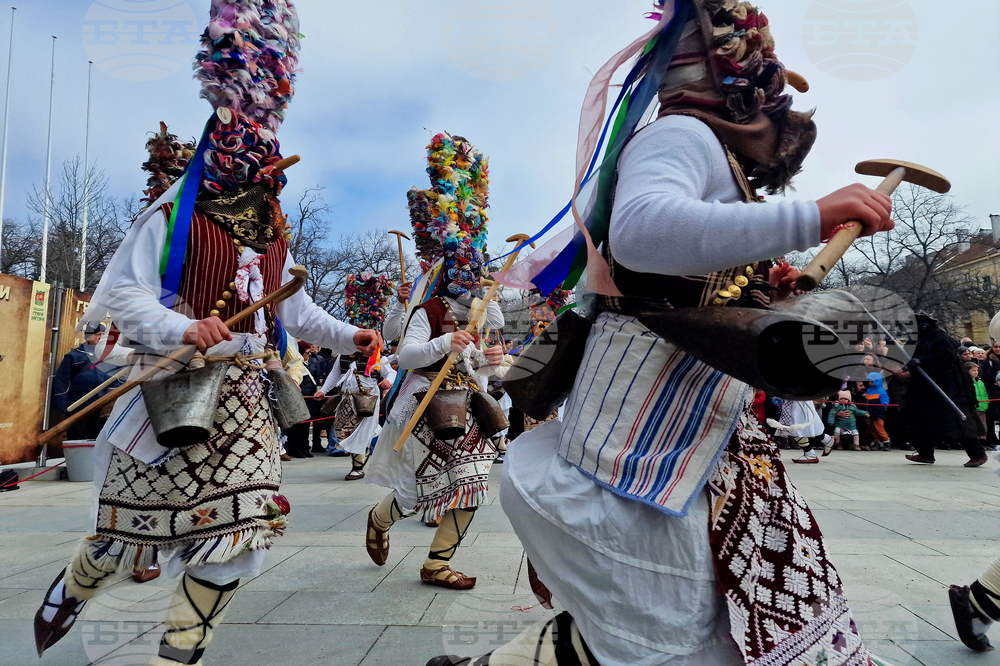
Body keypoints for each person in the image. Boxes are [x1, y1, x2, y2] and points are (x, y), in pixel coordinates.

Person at [426, 1, 897, 663]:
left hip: (689, 427)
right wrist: (809, 216)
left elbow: (697, 284)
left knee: (676, 623)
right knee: (682, 627)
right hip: (645, 433)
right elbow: (645, 235)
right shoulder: (682, 135)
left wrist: (766, 287)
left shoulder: (710, 153)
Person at [32, 3, 382, 662]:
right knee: (123, 539)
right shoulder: (175, 211)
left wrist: (350, 336)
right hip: (175, 391)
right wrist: (184, 326)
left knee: (241, 532)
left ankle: (180, 650)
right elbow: (123, 297)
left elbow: (295, 315)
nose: (260, 171)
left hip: (248, 403)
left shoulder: (275, 229)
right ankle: (76, 586)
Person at [364, 132, 506, 590]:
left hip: (469, 404)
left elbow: (488, 345)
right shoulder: (429, 310)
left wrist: (485, 358)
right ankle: (381, 518)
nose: (472, 282)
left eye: (477, 273)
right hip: (427, 402)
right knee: (420, 489)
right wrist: (445, 345)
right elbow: (405, 354)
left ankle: (436, 563)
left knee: (473, 483)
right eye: (464, 275)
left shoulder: (480, 310)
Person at [903, 313, 986, 466]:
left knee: (957, 418)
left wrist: (922, 361)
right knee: (917, 418)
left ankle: (977, 454)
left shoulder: (940, 338)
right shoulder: (918, 339)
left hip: (946, 386)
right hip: (924, 387)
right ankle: (925, 453)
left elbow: (945, 358)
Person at [50, 324, 131, 440]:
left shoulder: (110, 357)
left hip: (101, 407)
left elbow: (118, 379)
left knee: (98, 438)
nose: (101, 337)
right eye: (98, 334)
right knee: (77, 437)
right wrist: (63, 407)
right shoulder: (74, 356)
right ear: (88, 337)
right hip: (78, 407)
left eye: (104, 335)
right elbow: (62, 382)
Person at [864, 372, 891, 451]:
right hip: (870, 412)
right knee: (872, 428)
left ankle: (886, 441)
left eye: (872, 381)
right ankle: (876, 441)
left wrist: (879, 409)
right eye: (869, 381)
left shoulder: (881, 391)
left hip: (878, 413)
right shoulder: (869, 390)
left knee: (879, 427)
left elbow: (885, 402)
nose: (870, 383)